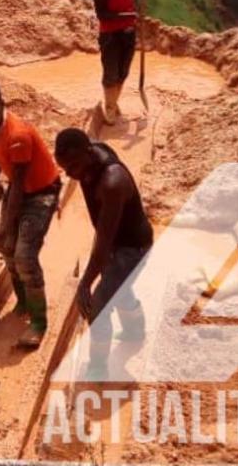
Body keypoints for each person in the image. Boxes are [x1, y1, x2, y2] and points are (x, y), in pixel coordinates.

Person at [54, 128, 153, 379]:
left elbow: (105, 243)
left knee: (98, 307)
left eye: (73, 166)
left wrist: (85, 283)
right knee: (120, 288)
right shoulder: (92, 153)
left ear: (88, 152)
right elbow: (105, 241)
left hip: (132, 248)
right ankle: (135, 332)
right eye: (65, 168)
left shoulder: (112, 182)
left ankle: (98, 367)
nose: (70, 174)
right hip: (119, 243)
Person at [0, 80, 62, 348]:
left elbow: (21, 187)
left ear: (2, 105)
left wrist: (6, 227)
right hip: (19, 187)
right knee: (5, 248)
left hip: (41, 192)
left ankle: (38, 321)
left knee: (24, 256)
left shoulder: (18, 136)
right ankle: (22, 299)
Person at [91, 0, 158, 125]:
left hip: (128, 31)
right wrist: (131, 13)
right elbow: (102, 14)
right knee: (111, 72)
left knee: (123, 72)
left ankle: (112, 102)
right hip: (110, 34)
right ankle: (110, 107)